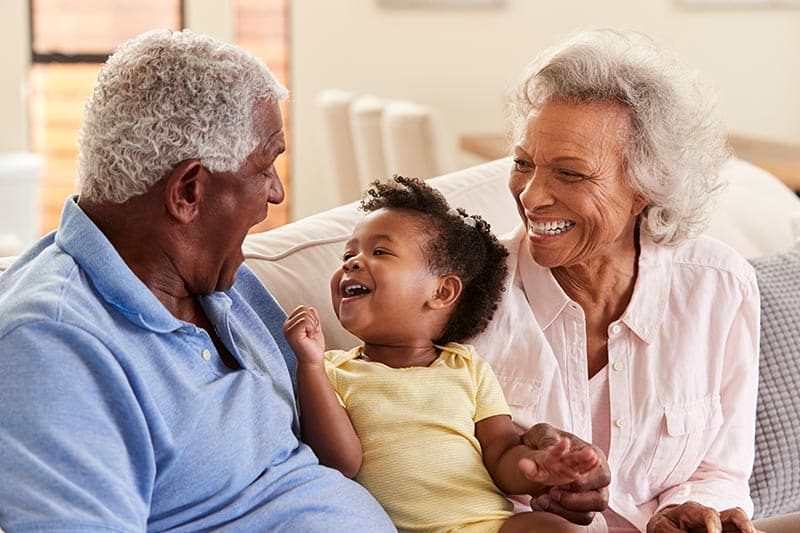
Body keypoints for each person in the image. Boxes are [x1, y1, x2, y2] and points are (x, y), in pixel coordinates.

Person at [0, 29, 395, 531]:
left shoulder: (218, 280)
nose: (275, 193)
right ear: (188, 191)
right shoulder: (50, 344)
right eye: (265, 166)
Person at [470, 29, 761, 533]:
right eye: (523, 164)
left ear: (647, 187)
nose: (532, 196)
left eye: (570, 174)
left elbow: (722, 468)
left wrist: (691, 509)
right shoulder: (469, 294)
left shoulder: (719, 286)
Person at [283, 176, 604, 533]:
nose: (352, 263)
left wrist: (538, 468)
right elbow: (342, 462)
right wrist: (309, 364)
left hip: (491, 524)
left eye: (379, 252)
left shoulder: (467, 367)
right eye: (348, 254)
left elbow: (501, 456)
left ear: (442, 291)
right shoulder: (332, 370)